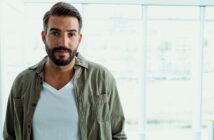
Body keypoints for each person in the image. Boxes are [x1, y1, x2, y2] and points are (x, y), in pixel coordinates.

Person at [3, 2, 127, 140]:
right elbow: (10, 135)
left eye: (71, 34)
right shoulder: (22, 82)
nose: (63, 42)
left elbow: (118, 135)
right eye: (55, 33)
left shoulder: (102, 78)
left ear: (79, 39)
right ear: (44, 37)